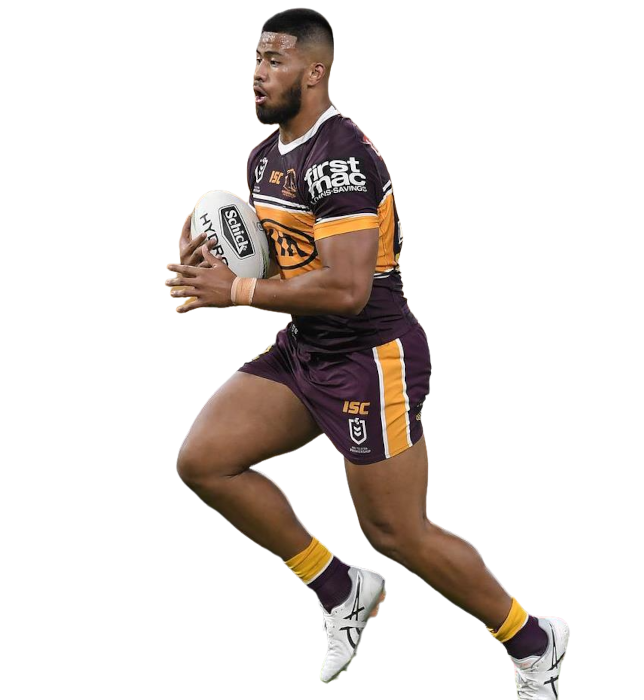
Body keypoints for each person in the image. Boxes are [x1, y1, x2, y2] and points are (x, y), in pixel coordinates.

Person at [165, 8, 569, 693]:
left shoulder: (340, 159)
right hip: (306, 347)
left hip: (370, 358)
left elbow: (349, 289)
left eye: (275, 61)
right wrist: (215, 257)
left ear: (315, 72)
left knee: (396, 532)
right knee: (203, 462)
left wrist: (236, 290)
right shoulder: (264, 156)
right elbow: (284, 261)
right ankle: (340, 588)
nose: (259, 74)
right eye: (257, 59)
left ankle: (533, 642)